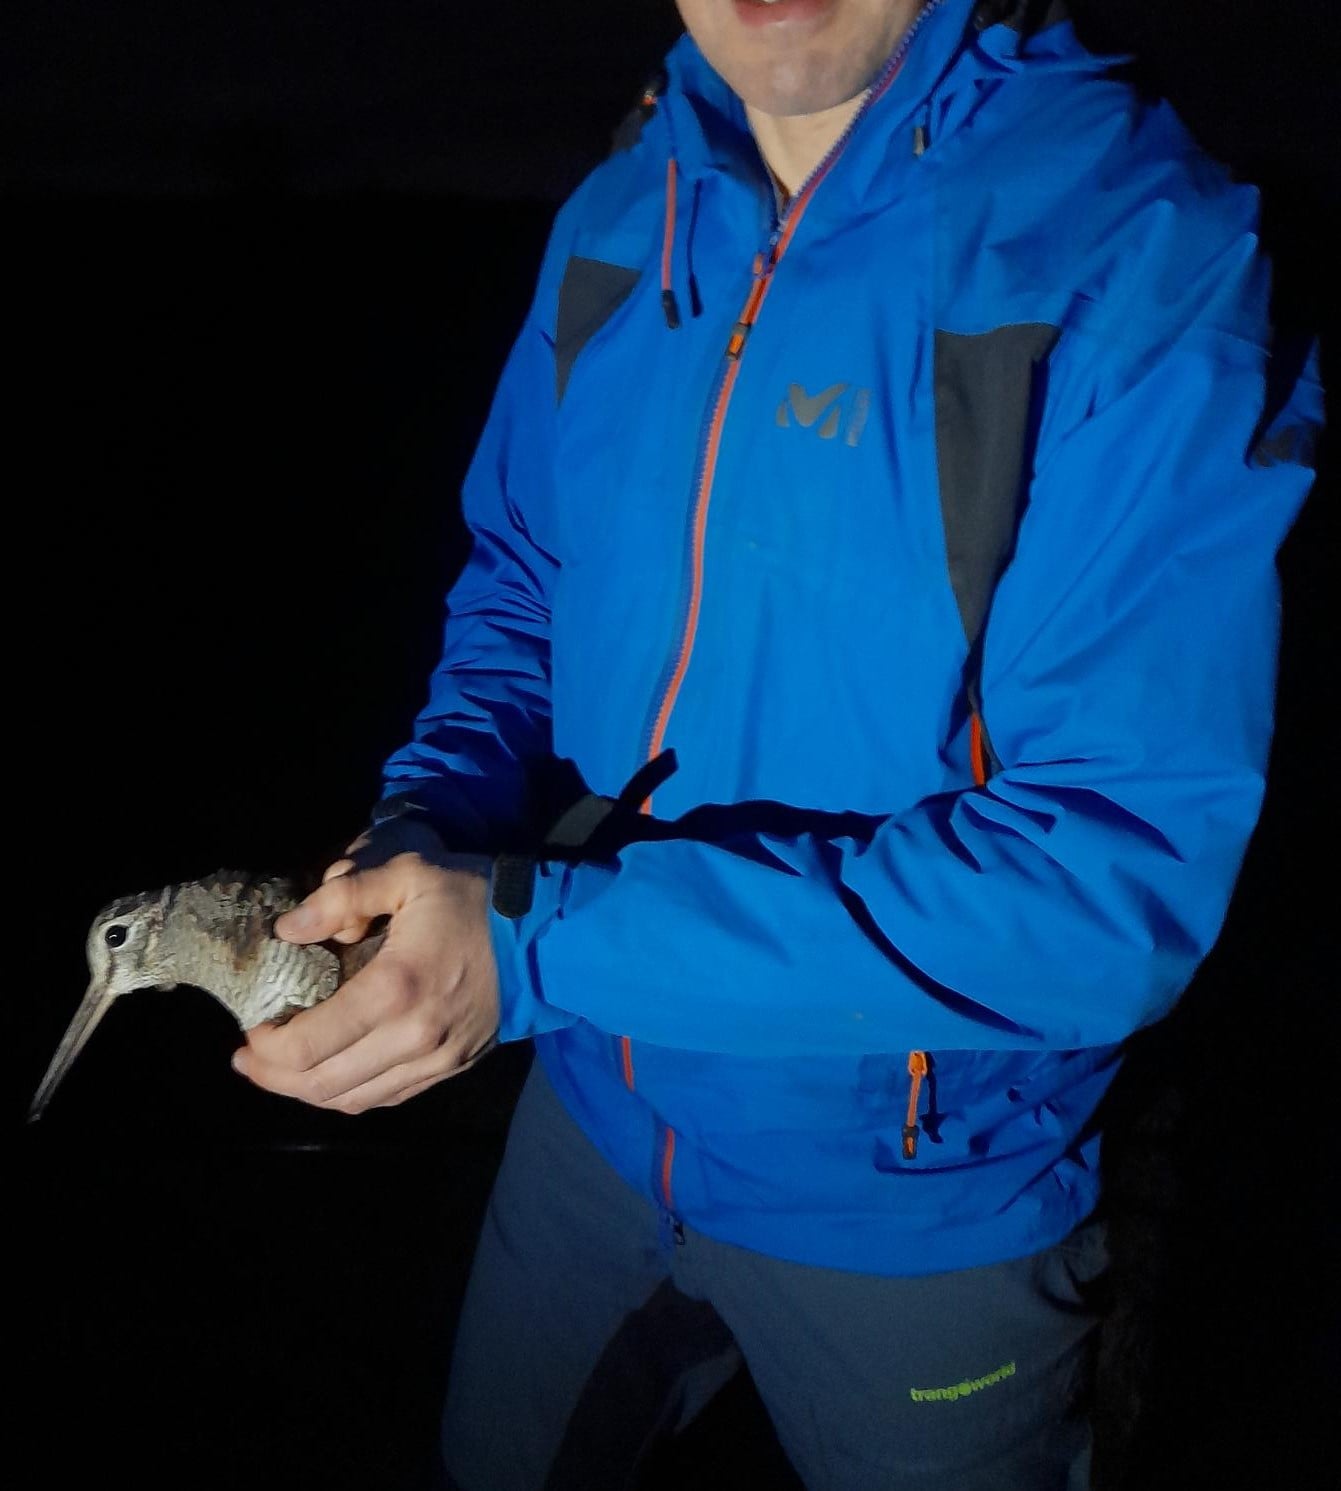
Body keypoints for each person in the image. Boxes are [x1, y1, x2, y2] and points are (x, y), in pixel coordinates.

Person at [230, 0, 1322, 1486]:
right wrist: (429, 820)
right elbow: (522, 588)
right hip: (588, 1121)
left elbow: (1104, 889)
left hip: (917, 1195)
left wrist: (536, 950)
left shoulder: (1134, 247)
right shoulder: (622, 208)